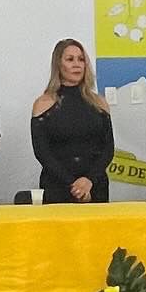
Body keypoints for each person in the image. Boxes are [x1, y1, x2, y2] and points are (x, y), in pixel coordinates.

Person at [30, 38, 115, 203]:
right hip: (57, 187)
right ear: (58, 65)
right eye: (70, 59)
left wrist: (89, 181)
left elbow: (108, 149)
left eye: (81, 59)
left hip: (95, 186)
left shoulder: (99, 103)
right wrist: (74, 185)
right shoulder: (43, 104)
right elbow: (42, 152)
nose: (77, 64)